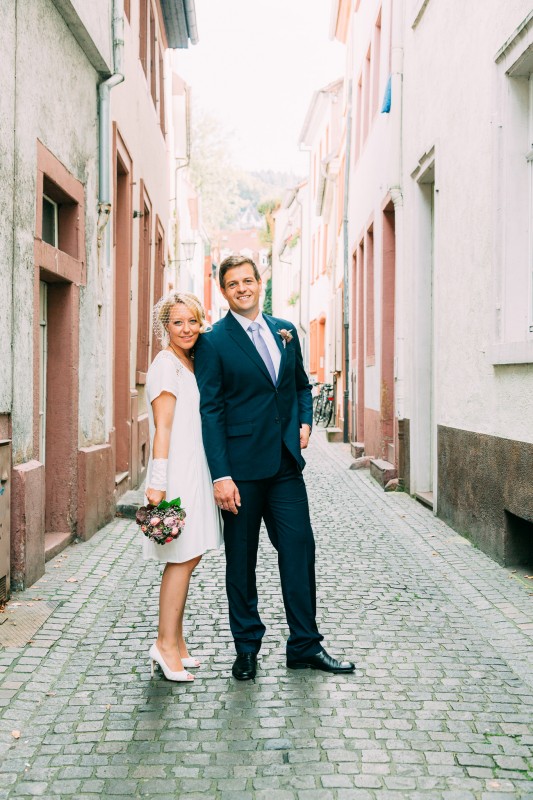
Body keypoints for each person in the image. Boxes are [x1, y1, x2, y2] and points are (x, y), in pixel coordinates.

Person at [195, 255, 355, 680]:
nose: (243, 288)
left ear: (260, 282)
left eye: (249, 280)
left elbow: (300, 386)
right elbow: (210, 411)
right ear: (223, 290)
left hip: (285, 465)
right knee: (241, 562)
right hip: (241, 472)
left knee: (300, 551)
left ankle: (304, 645)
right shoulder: (213, 341)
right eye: (233, 283)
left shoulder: (284, 330)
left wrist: (304, 419)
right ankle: (246, 648)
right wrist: (221, 475)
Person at [144, 291, 223, 682]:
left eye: (193, 321)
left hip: (196, 468)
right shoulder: (165, 367)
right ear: (166, 327)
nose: (187, 328)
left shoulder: (189, 362)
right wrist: (158, 483)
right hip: (175, 473)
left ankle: (176, 641)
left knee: (190, 556)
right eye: (178, 322)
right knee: (181, 559)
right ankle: (164, 645)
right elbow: (164, 428)